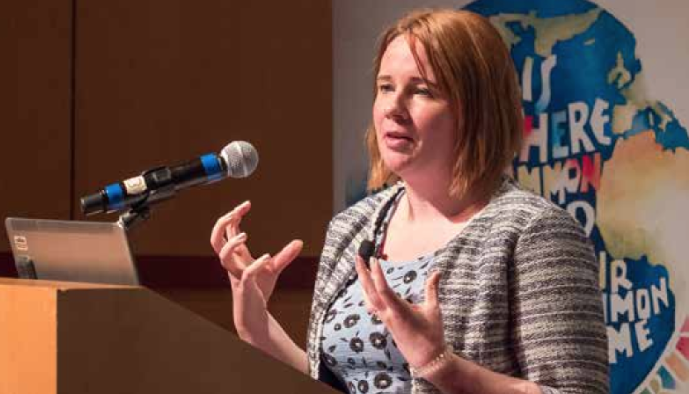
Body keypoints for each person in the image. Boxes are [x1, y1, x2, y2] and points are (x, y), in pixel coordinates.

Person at [210, 8, 608, 394]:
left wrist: (444, 367)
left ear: (478, 110)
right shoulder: (353, 227)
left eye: (421, 91)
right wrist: (257, 329)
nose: (393, 108)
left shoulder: (535, 233)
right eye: (385, 87)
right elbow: (331, 381)